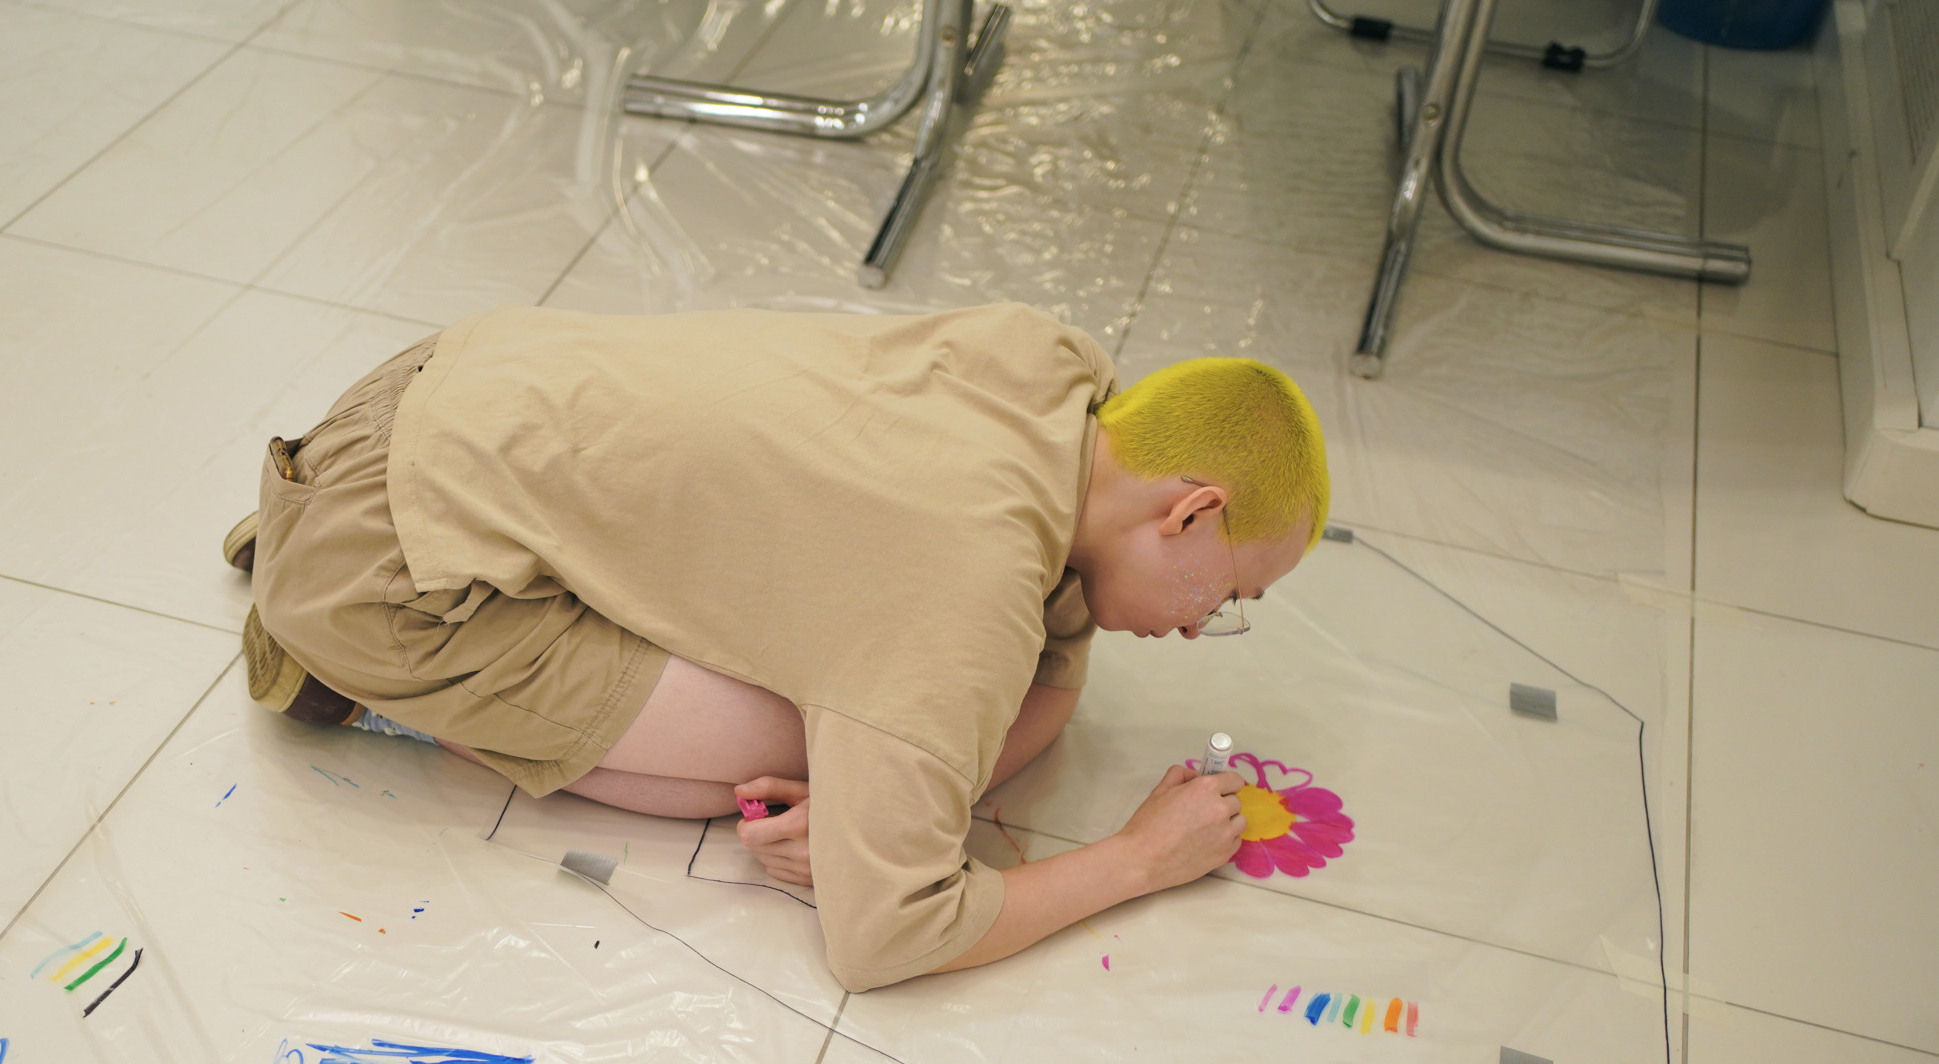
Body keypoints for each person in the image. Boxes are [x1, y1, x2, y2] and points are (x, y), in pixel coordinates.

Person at [227, 303, 1328, 993]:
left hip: (435, 386)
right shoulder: (968, 583)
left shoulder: (1054, 372)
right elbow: (888, 936)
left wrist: (874, 803)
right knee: (780, 751)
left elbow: (1051, 663)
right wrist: (1135, 861)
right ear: (1190, 511)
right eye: (1228, 594)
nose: (1200, 627)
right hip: (380, 570)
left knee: (856, 736)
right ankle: (359, 681)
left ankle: (325, 544)